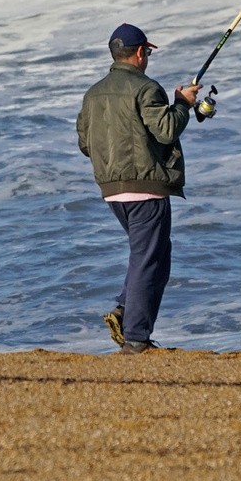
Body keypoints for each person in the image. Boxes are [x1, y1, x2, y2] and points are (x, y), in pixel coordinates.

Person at [76, 23, 202, 353]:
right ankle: (135, 339)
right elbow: (166, 129)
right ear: (139, 53)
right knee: (151, 259)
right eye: (147, 52)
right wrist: (183, 103)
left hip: (112, 190)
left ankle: (124, 310)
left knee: (147, 256)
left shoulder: (93, 94)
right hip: (145, 187)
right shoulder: (146, 88)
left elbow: (84, 143)